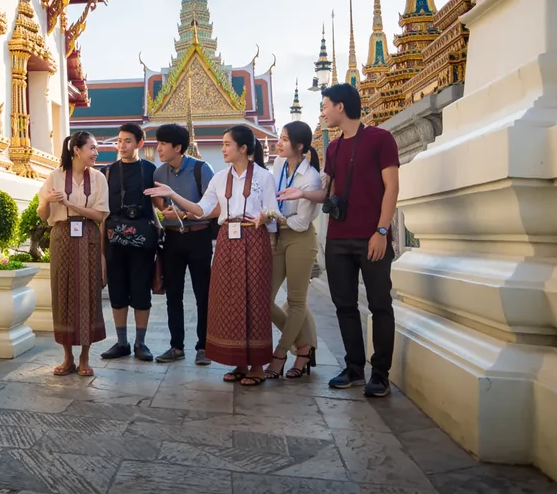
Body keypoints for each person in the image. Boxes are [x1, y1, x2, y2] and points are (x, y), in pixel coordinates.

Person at [277, 83, 399, 397]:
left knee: (379, 305)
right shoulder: (333, 148)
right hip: (339, 238)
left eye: (325, 106)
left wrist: (382, 231)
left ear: (340, 107)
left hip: (371, 236)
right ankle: (355, 368)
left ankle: (380, 374)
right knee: (344, 306)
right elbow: (327, 191)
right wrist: (302, 192)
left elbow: (392, 189)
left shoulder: (380, 139)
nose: (323, 113)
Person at [146, 125, 278, 385]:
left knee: (254, 300)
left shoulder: (263, 177)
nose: (223, 148)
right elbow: (202, 209)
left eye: (228, 144)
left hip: (254, 237)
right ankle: (240, 362)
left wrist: (264, 217)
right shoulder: (219, 178)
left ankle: (258, 366)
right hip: (229, 240)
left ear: (243, 148)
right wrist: (173, 195)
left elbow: (273, 212)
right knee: (230, 300)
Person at [38, 131, 110, 377]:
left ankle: (85, 357)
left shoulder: (99, 178)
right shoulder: (54, 177)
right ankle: (67, 357)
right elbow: (43, 216)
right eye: (92, 148)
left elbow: (100, 216)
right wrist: (46, 201)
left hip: (88, 236)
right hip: (61, 237)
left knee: (88, 293)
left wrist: (71, 205)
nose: (96, 153)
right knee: (63, 293)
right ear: (77, 150)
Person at [149, 123, 215, 365]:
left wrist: (185, 214)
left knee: (202, 294)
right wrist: (164, 211)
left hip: (198, 236)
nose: (158, 149)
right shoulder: (158, 174)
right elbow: (159, 204)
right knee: (173, 294)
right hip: (173, 239)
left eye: (163, 144)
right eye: (158, 144)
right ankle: (176, 346)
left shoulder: (201, 170)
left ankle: (203, 347)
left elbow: (214, 208)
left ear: (178, 147)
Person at [265, 120, 322, 380]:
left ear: (299, 146)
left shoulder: (310, 178)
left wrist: (277, 219)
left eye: (285, 139)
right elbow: (271, 199)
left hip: (300, 238)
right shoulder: (277, 165)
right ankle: (304, 345)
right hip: (277, 235)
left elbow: (301, 221)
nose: (279, 143)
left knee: (296, 300)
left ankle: (280, 354)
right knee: (264, 299)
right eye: (280, 137)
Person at [99, 123, 159, 361]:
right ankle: (121, 342)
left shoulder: (150, 170)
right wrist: (102, 249)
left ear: (139, 144)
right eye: (120, 141)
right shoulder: (108, 172)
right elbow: (103, 212)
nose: (122, 146)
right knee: (118, 291)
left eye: (128, 141)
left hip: (142, 243)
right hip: (114, 242)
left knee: (141, 292)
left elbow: (158, 206)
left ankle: (140, 343)